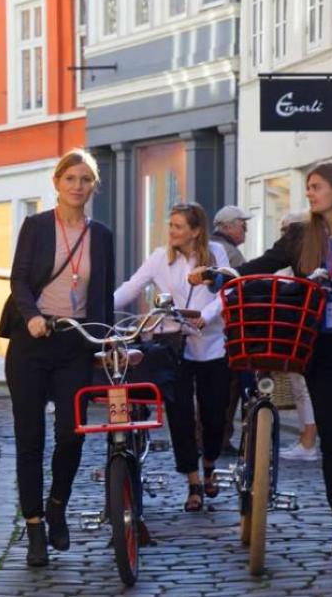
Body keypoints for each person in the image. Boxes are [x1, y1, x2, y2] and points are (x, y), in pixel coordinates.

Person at [191, 163, 332, 556]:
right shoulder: (300, 235)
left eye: (316, 187)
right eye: (308, 188)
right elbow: (258, 268)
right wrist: (218, 276)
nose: (310, 194)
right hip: (320, 350)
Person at [0, 149, 115, 567]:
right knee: (30, 439)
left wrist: (105, 341)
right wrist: (30, 317)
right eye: (71, 179)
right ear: (57, 183)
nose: (77, 187)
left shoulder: (100, 234)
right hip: (31, 342)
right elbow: (19, 280)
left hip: (75, 343)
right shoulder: (35, 226)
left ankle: (57, 504)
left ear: (93, 186)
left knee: (72, 432)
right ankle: (34, 529)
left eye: (85, 180)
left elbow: (102, 293)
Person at [115, 202, 230, 512]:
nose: (172, 232)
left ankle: (209, 465)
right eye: (171, 225)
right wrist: (99, 309)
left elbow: (225, 290)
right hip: (173, 343)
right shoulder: (158, 258)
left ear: (195, 231)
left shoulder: (215, 253)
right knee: (179, 415)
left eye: (178, 226)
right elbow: (131, 287)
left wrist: (206, 316)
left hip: (212, 343)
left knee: (214, 413)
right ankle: (193, 482)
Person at [269, 212, 320, 462]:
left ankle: (309, 440)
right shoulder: (288, 263)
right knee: (299, 385)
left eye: (288, 229)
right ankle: (305, 437)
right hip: (291, 330)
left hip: (304, 331)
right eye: (282, 229)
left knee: (304, 385)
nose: (284, 235)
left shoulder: (305, 263)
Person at [210, 206, 250, 454]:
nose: (245, 229)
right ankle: (221, 438)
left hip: (213, 326)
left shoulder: (211, 246)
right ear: (227, 227)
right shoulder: (229, 253)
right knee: (230, 385)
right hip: (228, 327)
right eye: (241, 224)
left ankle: (210, 438)